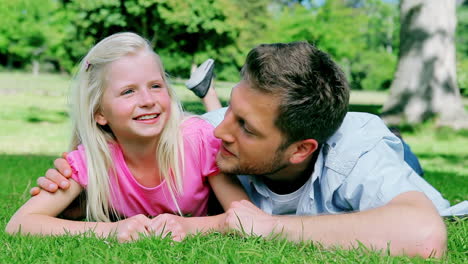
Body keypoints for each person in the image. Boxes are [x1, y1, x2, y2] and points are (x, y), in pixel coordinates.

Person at [31, 42, 458, 258]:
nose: (221, 133)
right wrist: (80, 180)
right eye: (231, 110)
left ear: (299, 150)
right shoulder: (209, 137)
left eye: (246, 128)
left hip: (393, 156)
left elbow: (424, 236)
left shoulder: (356, 152)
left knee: (408, 170)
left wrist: (265, 227)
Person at [5, 32, 249, 242]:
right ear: (100, 113)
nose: (147, 100)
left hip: (215, 124)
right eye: (128, 91)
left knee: (216, 117)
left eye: (155, 86)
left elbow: (243, 215)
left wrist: (190, 226)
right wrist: (110, 230)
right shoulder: (93, 158)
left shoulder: (199, 140)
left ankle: (208, 93)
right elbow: (20, 223)